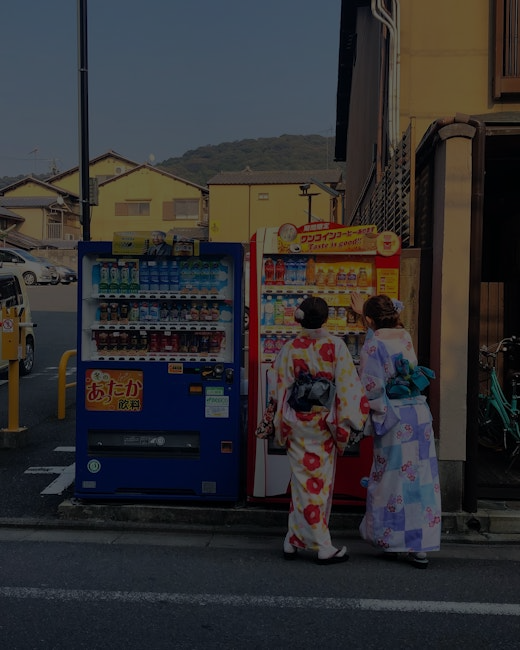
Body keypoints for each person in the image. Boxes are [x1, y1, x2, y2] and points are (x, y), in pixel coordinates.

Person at [269, 296, 369, 565]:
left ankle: (292, 538)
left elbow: (278, 385)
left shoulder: (290, 347)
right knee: (316, 485)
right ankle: (323, 545)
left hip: (296, 422)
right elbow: (348, 385)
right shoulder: (335, 346)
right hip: (323, 424)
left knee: (302, 482)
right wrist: (352, 419)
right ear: (326, 319)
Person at [357, 294, 441, 568]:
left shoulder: (372, 345)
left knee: (390, 479)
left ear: (370, 319)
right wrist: (366, 316)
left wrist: (370, 418)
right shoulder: (404, 336)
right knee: (421, 478)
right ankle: (420, 546)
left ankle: (390, 540)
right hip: (418, 413)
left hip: (393, 416)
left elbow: (372, 387)